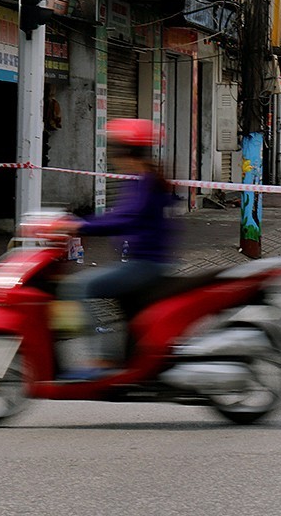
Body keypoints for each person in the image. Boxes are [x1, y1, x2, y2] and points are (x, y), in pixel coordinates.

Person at [60, 118, 176, 379]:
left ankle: (99, 361)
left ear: (125, 151)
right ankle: (116, 357)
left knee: (78, 287)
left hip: (146, 264)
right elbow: (120, 215)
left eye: (114, 148)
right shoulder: (140, 178)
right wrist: (80, 223)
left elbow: (128, 219)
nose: (112, 154)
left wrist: (80, 226)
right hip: (138, 261)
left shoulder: (146, 181)